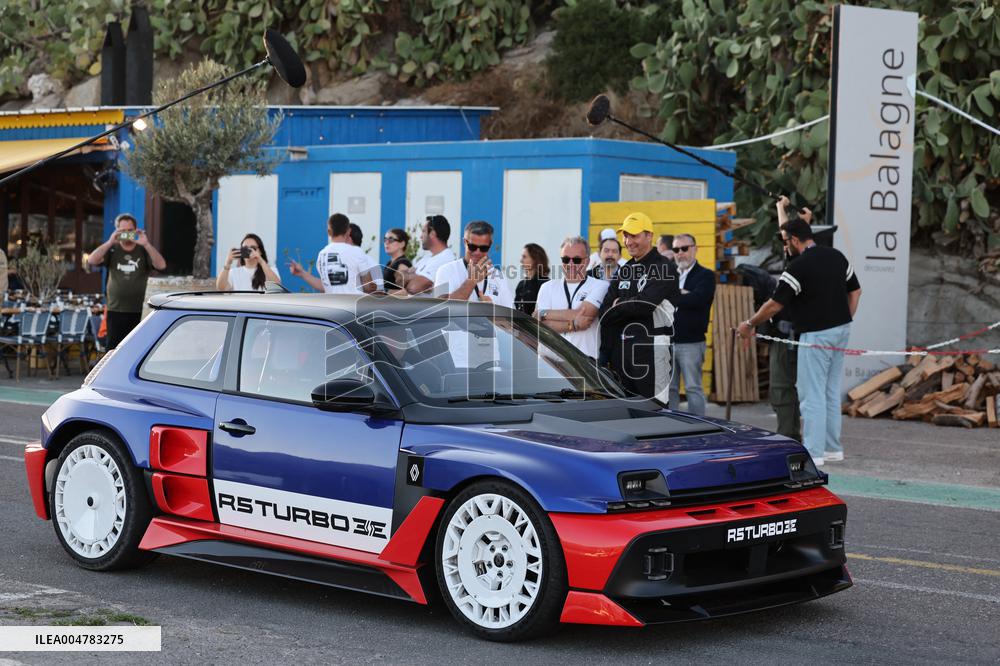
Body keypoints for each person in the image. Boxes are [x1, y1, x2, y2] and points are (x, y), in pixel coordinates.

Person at [737, 196, 862, 466]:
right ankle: (833, 448)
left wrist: (750, 323)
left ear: (795, 240)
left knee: (811, 394)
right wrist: (845, 317)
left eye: (786, 242)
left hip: (815, 336)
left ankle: (815, 453)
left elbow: (774, 304)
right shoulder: (837, 256)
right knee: (830, 391)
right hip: (841, 330)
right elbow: (856, 289)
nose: (786, 246)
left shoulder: (798, 266)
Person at [600, 212, 679, 400]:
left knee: (655, 411)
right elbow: (604, 313)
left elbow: (644, 306)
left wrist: (618, 304)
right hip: (622, 351)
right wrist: (623, 306)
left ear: (649, 235)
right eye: (625, 235)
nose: (628, 241)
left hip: (652, 349)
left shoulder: (663, 268)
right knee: (626, 412)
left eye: (634, 235)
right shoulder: (625, 268)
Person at [87, 213, 166, 349]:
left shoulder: (143, 250)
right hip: (115, 310)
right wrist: (110, 241)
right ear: (117, 231)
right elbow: (92, 260)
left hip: (139, 310)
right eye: (122, 231)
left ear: (135, 230)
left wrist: (146, 244)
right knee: (113, 350)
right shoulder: (112, 249)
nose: (126, 234)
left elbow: (161, 265)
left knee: (136, 349)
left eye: (130, 231)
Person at [535, 237, 609, 359]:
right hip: (549, 365)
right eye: (565, 259)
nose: (570, 264)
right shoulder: (547, 287)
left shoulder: (601, 286)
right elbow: (538, 324)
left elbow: (583, 315)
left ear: (587, 261)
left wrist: (544, 313)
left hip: (584, 365)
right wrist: (573, 325)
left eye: (576, 260)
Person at [667, 233, 715, 416]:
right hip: (669, 341)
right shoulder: (670, 273)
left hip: (692, 342)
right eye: (676, 249)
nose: (680, 253)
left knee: (693, 388)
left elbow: (698, 300)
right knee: (669, 389)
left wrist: (674, 295)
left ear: (695, 249)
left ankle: (698, 427)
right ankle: (669, 427)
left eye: (685, 248)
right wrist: (683, 293)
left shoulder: (706, 275)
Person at [288, 213, 383, 294]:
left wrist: (302, 273)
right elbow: (367, 287)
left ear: (329, 232)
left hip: (333, 309)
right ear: (348, 231)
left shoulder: (322, 255)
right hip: (354, 308)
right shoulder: (357, 252)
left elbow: (326, 287)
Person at [434, 220, 514, 308]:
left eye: (483, 248)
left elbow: (511, 318)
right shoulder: (444, 271)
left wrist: (492, 310)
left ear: (490, 245)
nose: (477, 252)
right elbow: (440, 309)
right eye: (472, 247)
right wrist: (471, 281)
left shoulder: (499, 278)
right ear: (465, 242)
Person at [394, 215, 455, 295]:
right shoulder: (427, 257)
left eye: (423, 231)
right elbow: (398, 278)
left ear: (432, 234)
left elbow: (413, 288)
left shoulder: (445, 259)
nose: (421, 236)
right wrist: (414, 277)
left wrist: (409, 275)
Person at [216, 233, 281, 292]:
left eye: (253, 248)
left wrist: (261, 261)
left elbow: (277, 287)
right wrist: (228, 263)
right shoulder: (233, 272)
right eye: (245, 248)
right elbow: (221, 288)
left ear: (260, 251)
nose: (249, 251)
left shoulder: (270, 270)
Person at [514, 243, 549, 316]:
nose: (521, 260)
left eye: (524, 257)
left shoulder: (546, 284)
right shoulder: (521, 285)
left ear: (535, 259)